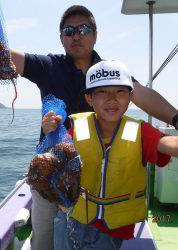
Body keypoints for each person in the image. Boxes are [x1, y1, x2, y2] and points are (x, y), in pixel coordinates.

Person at [0, 5, 178, 249]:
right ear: (61, 38)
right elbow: (11, 59)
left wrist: (176, 118)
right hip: (49, 170)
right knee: (46, 236)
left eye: (83, 29)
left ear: (95, 35)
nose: (76, 35)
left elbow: (142, 94)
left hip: (91, 176)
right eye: (68, 30)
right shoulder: (48, 65)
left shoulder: (108, 73)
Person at [42, 60, 178, 250]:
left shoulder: (142, 132)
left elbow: (170, 144)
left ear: (130, 97)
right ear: (89, 99)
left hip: (111, 230)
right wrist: (51, 129)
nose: (111, 99)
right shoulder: (77, 128)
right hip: (73, 216)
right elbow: (55, 160)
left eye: (119, 92)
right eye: (102, 92)